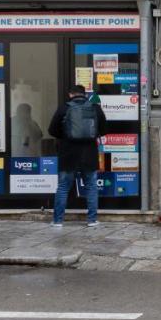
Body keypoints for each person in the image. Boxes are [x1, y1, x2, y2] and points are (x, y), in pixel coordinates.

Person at [48, 85, 107, 229]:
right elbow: (104, 130)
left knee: (63, 187)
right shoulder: (95, 108)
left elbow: (52, 130)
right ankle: (92, 220)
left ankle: (58, 221)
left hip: (68, 153)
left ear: (71, 94)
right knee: (91, 187)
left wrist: (67, 136)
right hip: (89, 153)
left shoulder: (64, 108)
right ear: (84, 94)